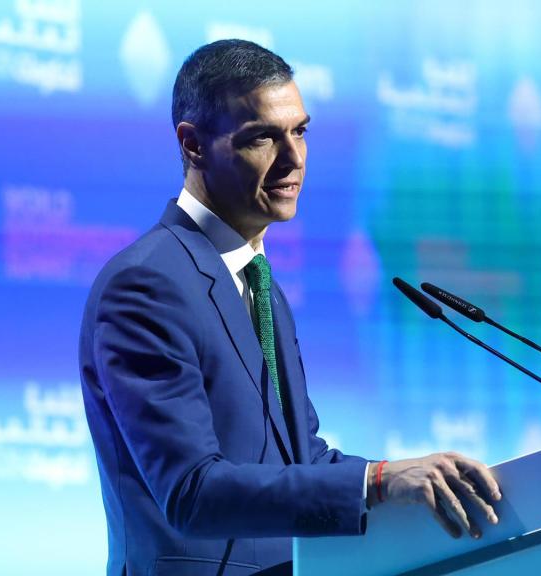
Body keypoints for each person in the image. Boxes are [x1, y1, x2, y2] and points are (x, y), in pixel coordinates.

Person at [79, 39, 502, 576]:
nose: (294, 158)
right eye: (263, 138)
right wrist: (376, 483)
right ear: (193, 146)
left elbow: (300, 459)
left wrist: (405, 478)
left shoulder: (261, 284)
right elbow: (190, 490)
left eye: (300, 131)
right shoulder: (147, 283)